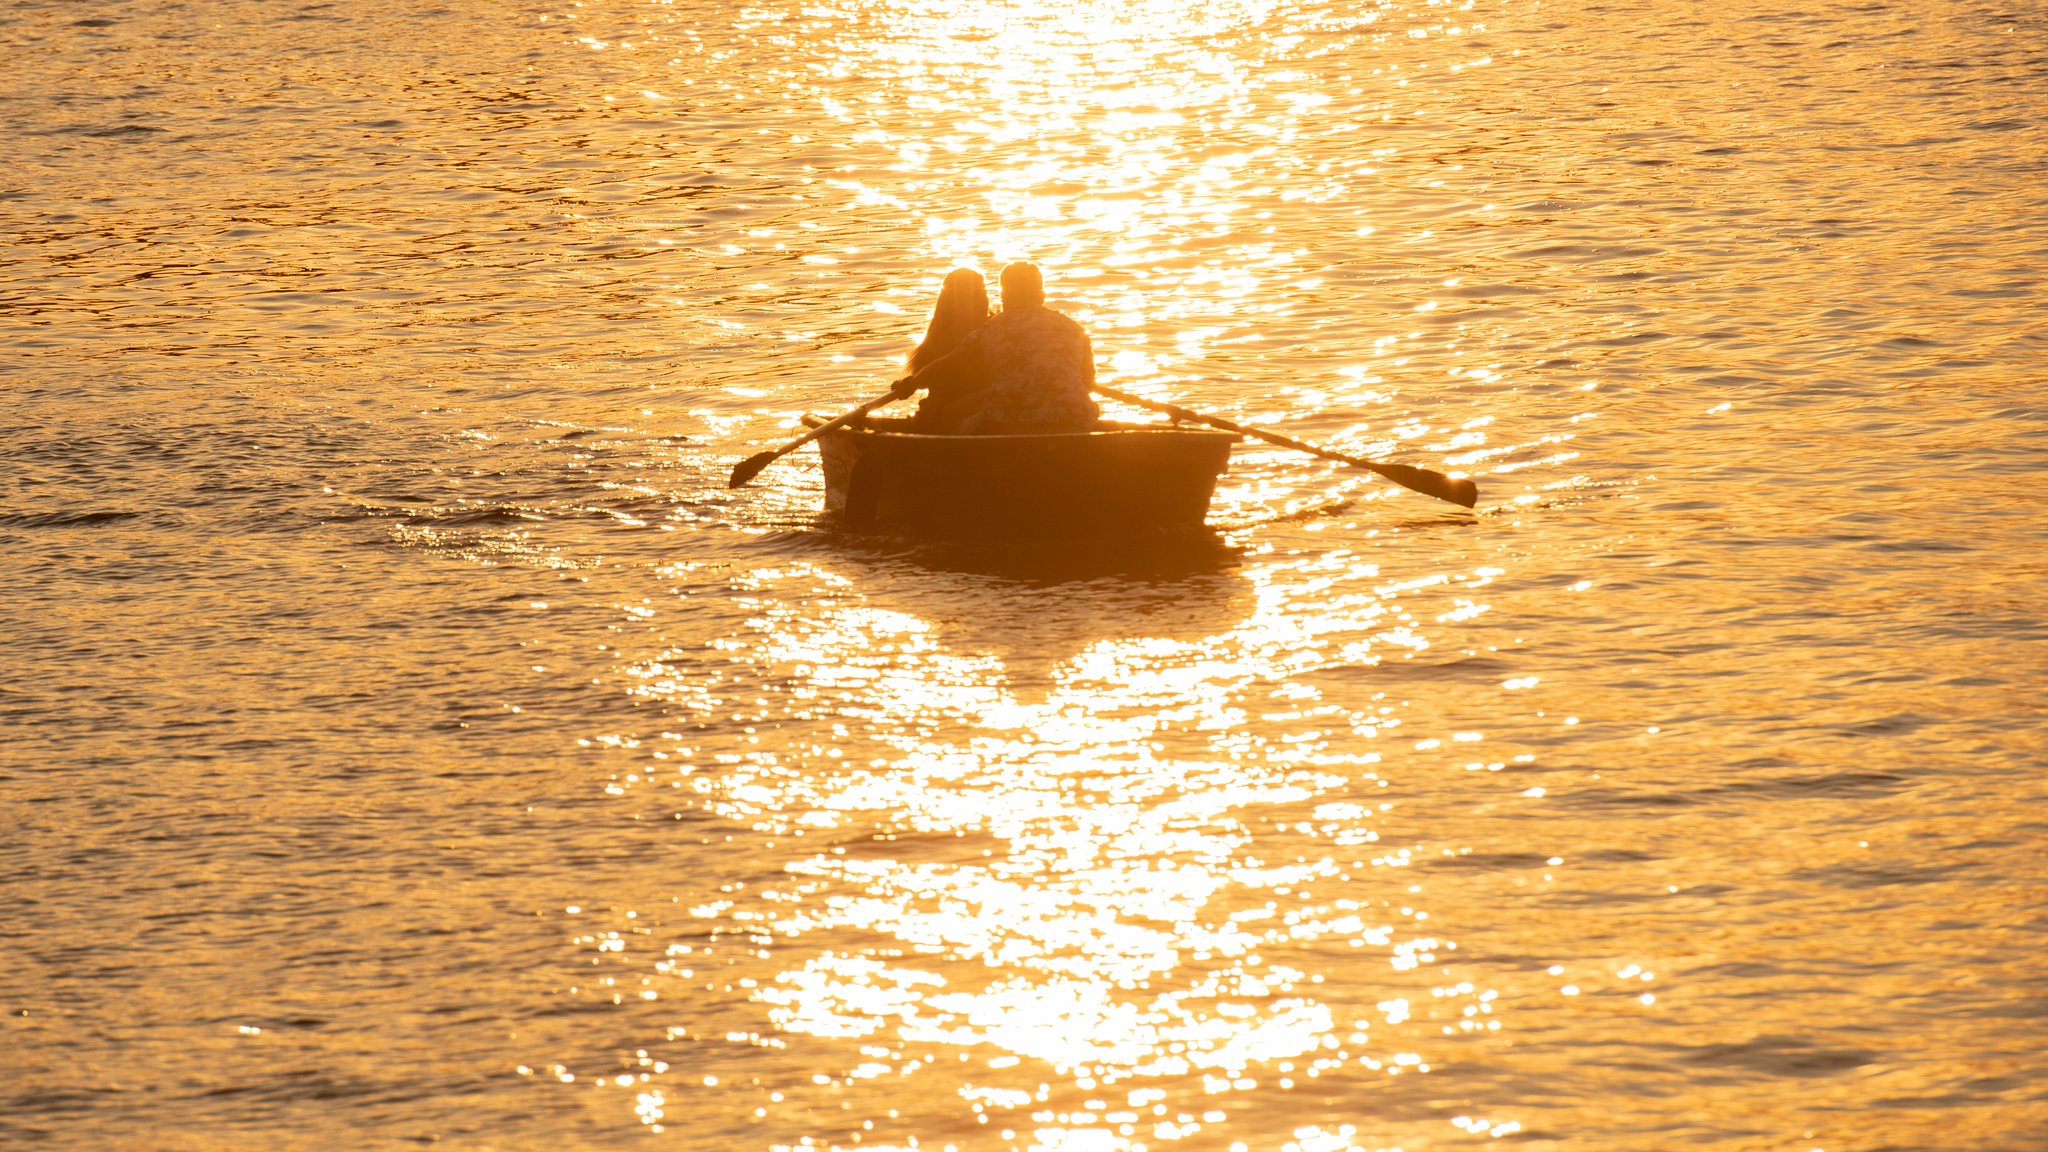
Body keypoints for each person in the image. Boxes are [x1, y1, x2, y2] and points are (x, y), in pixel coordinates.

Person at [892, 261, 1100, 434]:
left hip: (1010, 422)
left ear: (1005, 296)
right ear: (1042, 296)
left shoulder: (991, 329)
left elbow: (943, 366)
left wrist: (911, 384)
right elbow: (1088, 384)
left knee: (950, 418)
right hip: (1078, 420)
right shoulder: (1076, 329)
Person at [908, 267, 990, 373]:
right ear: (952, 301)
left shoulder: (996, 327)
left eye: (984, 293)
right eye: (976, 295)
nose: (983, 300)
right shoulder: (937, 344)